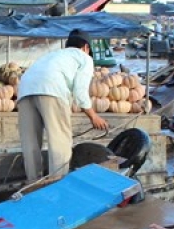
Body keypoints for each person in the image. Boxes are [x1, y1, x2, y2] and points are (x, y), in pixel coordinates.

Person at [17, 28, 108, 181]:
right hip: (52, 89)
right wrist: (93, 116)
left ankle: (32, 184)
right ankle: (58, 184)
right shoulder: (84, 58)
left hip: (25, 90)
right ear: (86, 47)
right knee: (59, 142)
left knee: (30, 144)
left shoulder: (55, 55)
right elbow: (80, 91)